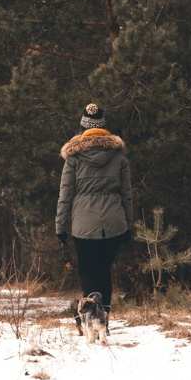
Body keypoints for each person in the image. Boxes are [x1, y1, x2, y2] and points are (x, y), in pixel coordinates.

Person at [55, 103, 133, 330]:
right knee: (104, 272)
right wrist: (129, 225)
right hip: (114, 223)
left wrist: (60, 227)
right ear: (103, 126)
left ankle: (89, 321)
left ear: (83, 126)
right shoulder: (119, 157)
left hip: (84, 225)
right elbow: (127, 195)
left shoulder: (74, 158)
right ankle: (103, 321)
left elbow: (65, 196)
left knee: (88, 273)